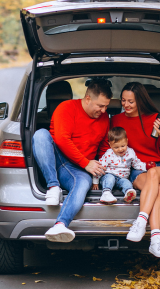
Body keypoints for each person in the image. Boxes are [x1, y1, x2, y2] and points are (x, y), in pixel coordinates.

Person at [32, 80, 112, 243]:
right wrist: (86, 163)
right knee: (40, 135)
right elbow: (61, 139)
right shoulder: (66, 108)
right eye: (100, 106)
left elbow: (104, 149)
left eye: (106, 107)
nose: (104, 111)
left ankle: (60, 224)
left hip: (79, 169)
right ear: (88, 99)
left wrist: (104, 169)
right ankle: (53, 186)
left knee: (83, 184)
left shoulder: (104, 119)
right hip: (57, 157)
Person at [111, 82, 160, 258]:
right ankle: (156, 239)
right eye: (123, 101)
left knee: (154, 173)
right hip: (137, 169)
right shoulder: (116, 120)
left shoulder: (156, 119)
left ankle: (140, 221)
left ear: (140, 101)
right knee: (158, 189)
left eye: (131, 101)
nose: (126, 105)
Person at [92, 127, 145, 204]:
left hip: (122, 178)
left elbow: (136, 164)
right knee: (109, 179)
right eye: (116, 147)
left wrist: (146, 167)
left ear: (127, 141)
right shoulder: (109, 154)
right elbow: (100, 167)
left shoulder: (130, 153)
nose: (120, 149)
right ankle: (106, 193)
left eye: (123, 146)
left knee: (127, 183)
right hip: (109, 175)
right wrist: (95, 181)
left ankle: (128, 193)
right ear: (110, 144)